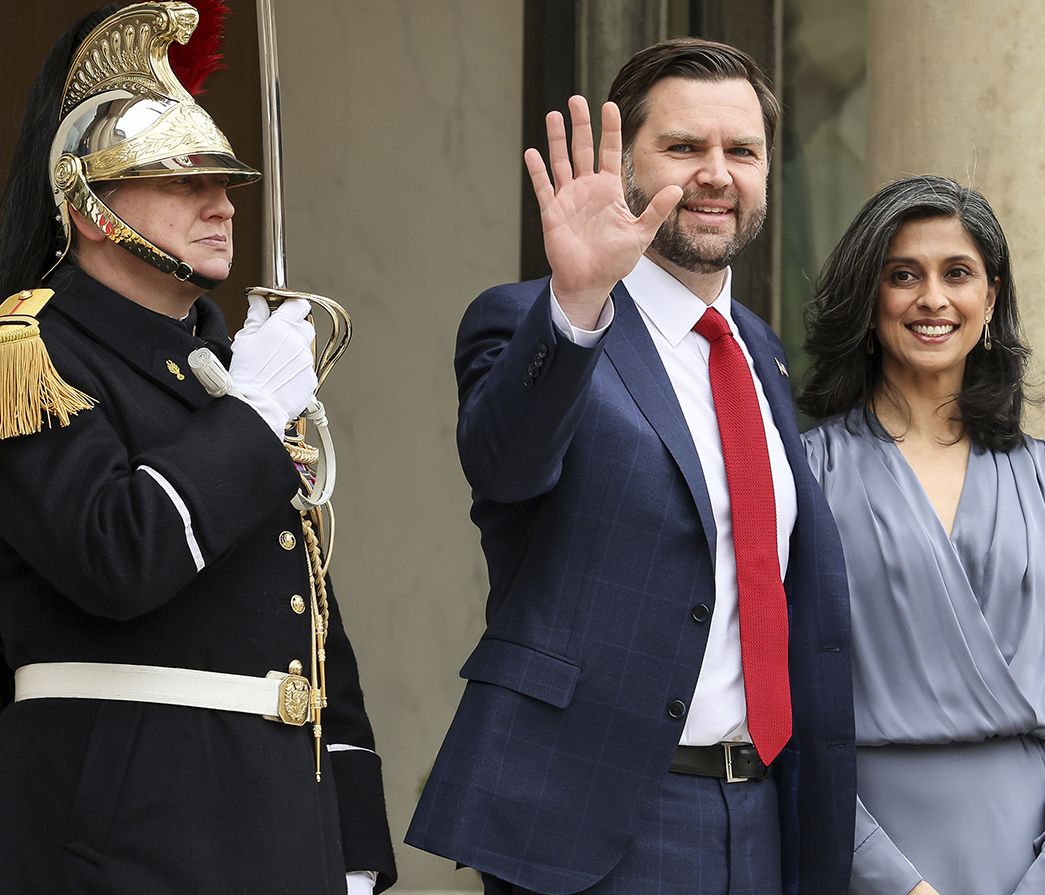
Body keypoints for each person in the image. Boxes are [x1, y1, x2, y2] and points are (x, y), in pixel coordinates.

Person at [406, 38, 854, 895]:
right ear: (624, 164)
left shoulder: (759, 350)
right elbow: (503, 466)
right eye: (685, 148)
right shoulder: (533, 321)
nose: (718, 174)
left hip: (757, 816)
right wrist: (574, 303)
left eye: (743, 151)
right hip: (598, 821)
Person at [0, 3, 395, 893]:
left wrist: (356, 844)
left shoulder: (227, 372)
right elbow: (114, 553)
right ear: (93, 207)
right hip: (123, 838)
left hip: (280, 831)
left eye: (223, 181)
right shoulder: (30, 357)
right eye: (182, 180)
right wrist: (250, 417)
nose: (220, 204)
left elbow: (311, 622)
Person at [794, 175, 1045, 895]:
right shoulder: (807, 474)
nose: (932, 299)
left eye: (957, 274)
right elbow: (788, 701)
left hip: (1034, 861)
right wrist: (884, 878)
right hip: (865, 855)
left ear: (992, 298)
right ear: (868, 296)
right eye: (902, 275)